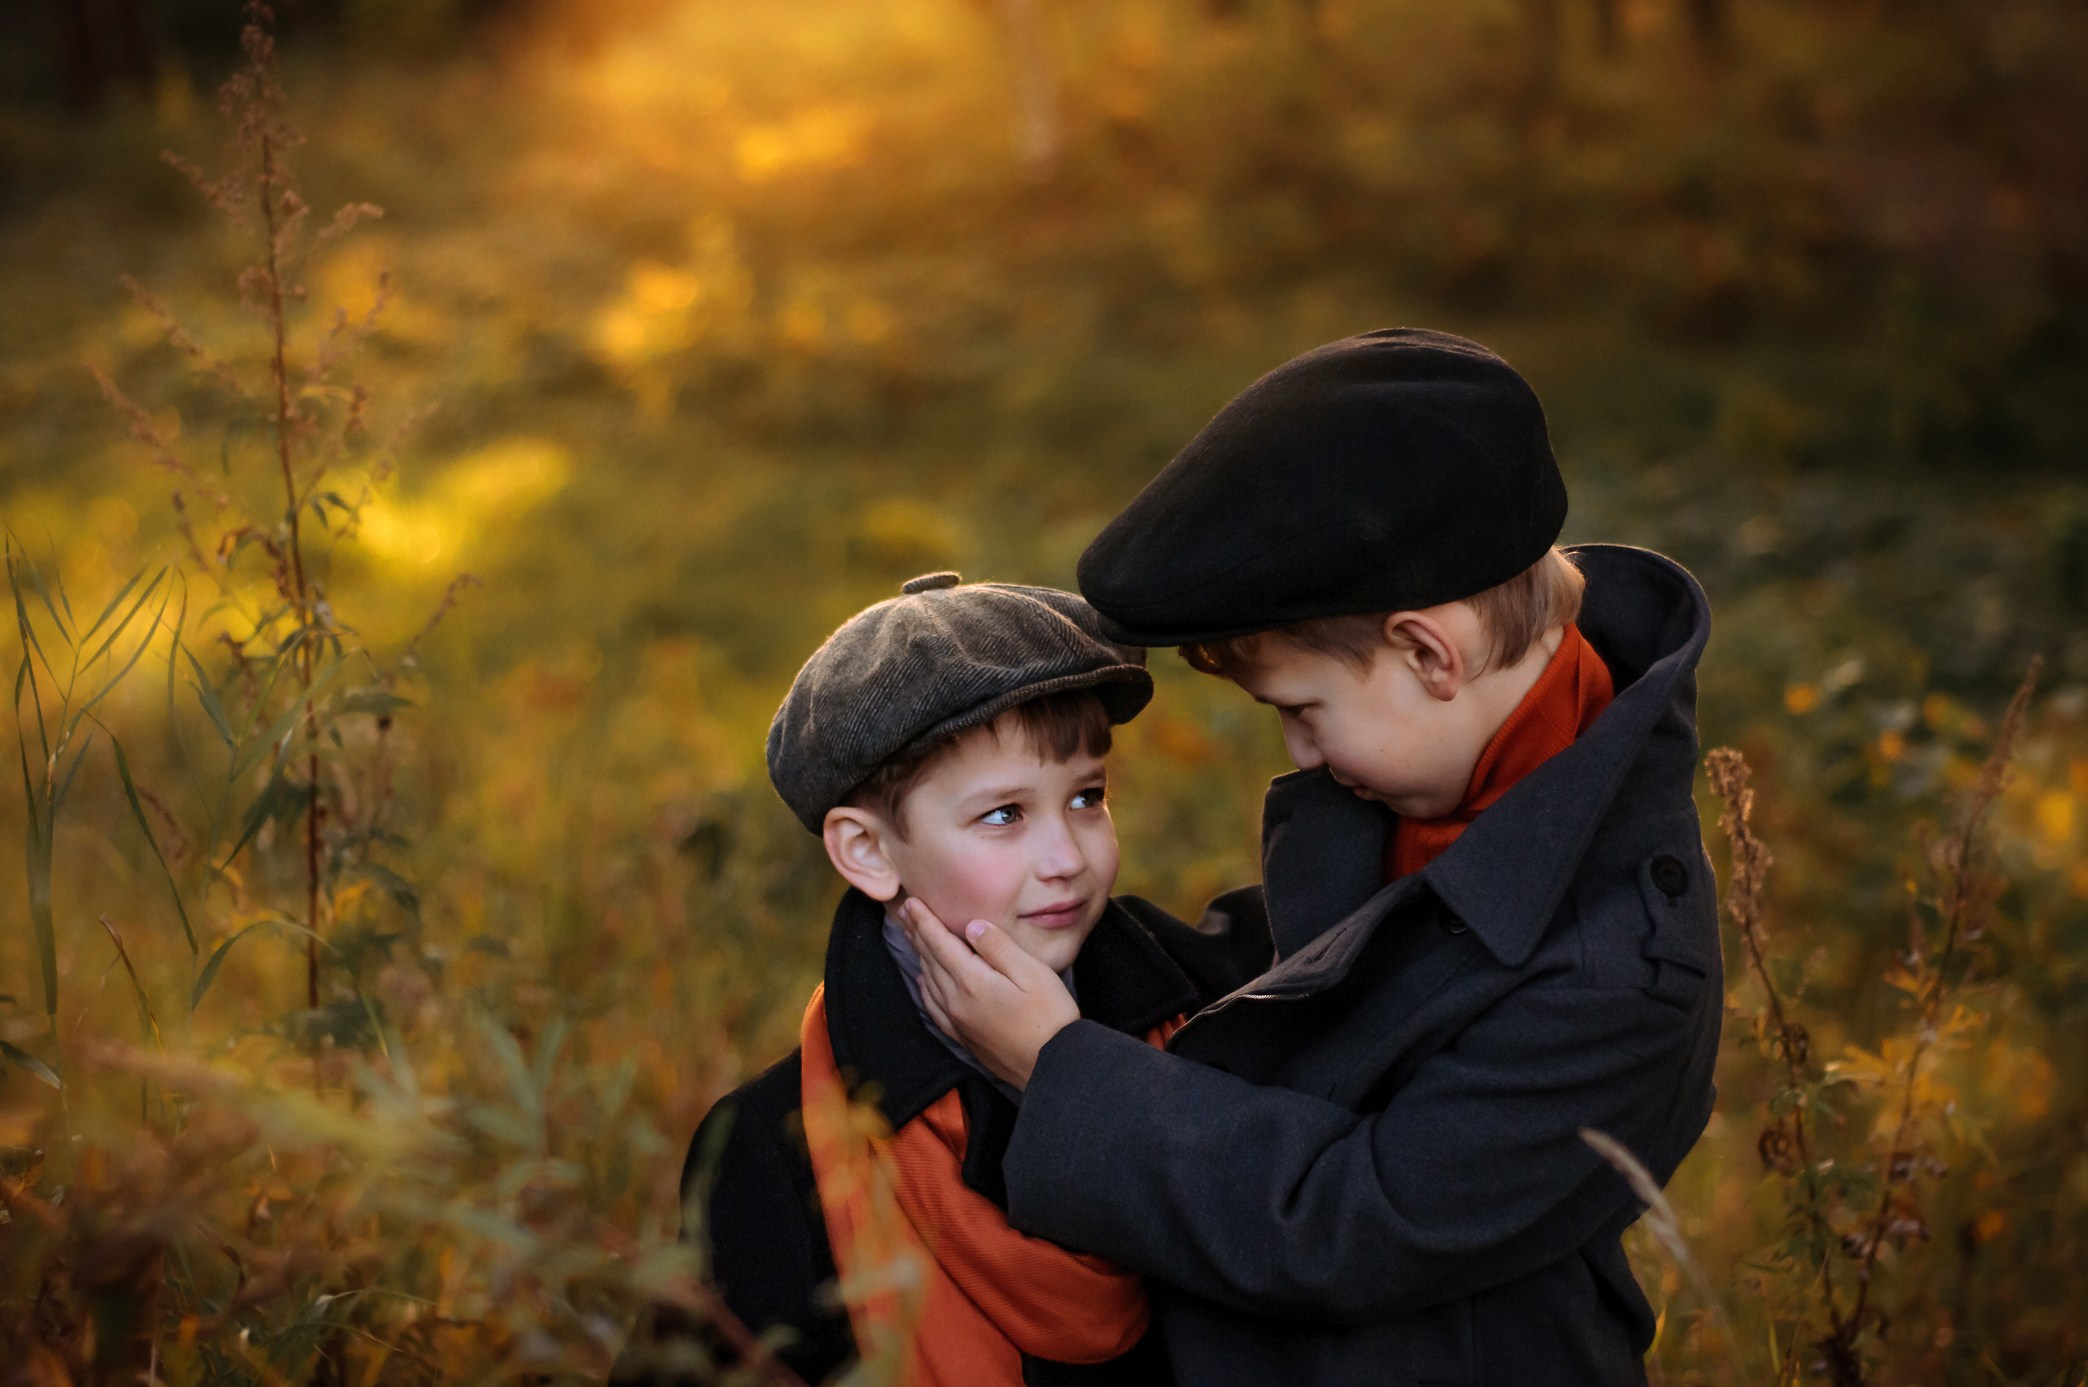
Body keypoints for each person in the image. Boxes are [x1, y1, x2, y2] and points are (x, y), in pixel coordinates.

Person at [900, 329, 1723, 1386]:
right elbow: (1299, 990)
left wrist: (1062, 1074)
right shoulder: (1448, 776)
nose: (1299, 753)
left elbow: (1359, 1221)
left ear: (1428, 651)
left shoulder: (1618, 970)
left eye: (1302, 710)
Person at [612, 572, 1267, 1387]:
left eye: (1087, 797)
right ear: (869, 852)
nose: (1068, 858)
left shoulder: (1210, 999)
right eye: (1005, 814)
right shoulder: (781, 1148)